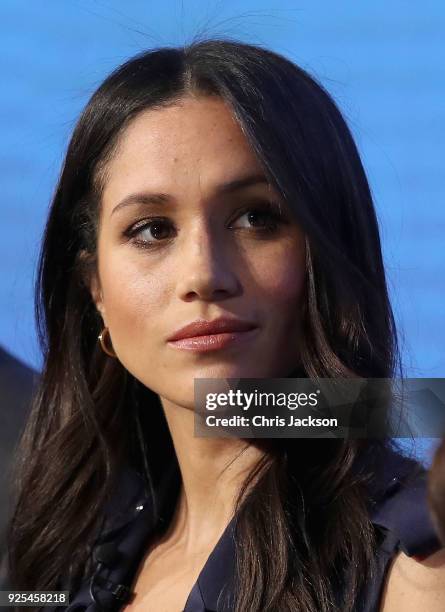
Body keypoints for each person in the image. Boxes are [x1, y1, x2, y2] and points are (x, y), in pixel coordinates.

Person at [5, 39, 445, 612]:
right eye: (151, 230)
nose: (204, 274)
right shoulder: (55, 564)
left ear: (330, 252)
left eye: (255, 218)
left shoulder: (417, 569)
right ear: (96, 292)